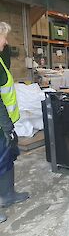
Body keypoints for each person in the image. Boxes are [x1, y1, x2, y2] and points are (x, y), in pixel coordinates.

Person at [0, 22, 29, 223]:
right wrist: (6, 126)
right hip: (1, 124)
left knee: (8, 158)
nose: (6, 41)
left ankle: (8, 195)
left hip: (5, 123)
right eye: (4, 37)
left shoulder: (0, 61)